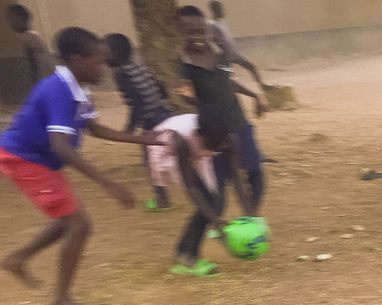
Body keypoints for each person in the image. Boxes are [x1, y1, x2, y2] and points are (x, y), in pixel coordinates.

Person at [0, 27, 163, 305]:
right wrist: (107, 183)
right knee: (79, 224)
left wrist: (142, 139)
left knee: (69, 220)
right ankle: (60, 301)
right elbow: (60, 145)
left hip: (38, 160)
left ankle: (19, 258)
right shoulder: (58, 90)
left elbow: (95, 129)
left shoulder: (79, 89)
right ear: (77, 60)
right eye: (98, 62)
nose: (104, 69)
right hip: (24, 159)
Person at [176, 5, 267, 214]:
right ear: (181, 32)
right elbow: (186, 93)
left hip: (239, 123)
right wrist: (188, 98)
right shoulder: (182, 65)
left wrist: (254, 95)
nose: (198, 37)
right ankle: (208, 226)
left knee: (256, 176)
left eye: (201, 31)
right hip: (214, 134)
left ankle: (249, 220)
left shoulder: (220, 52)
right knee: (218, 195)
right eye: (191, 32)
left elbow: (227, 83)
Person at [149, 106, 254, 276]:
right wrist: (215, 221)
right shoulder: (180, 140)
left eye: (220, 144)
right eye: (213, 144)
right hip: (167, 149)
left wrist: (249, 213)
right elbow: (192, 188)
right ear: (200, 134)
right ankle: (186, 256)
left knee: (216, 201)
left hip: (196, 151)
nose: (217, 148)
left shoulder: (226, 139)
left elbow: (236, 177)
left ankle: (184, 252)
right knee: (207, 203)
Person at [105, 33, 177, 209]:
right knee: (173, 154)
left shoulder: (121, 74)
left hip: (152, 121)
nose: (102, 57)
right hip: (164, 113)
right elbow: (161, 88)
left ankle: (162, 199)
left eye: (105, 52)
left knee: (151, 162)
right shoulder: (139, 67)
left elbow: (137, 102)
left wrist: (129, 130)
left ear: (116, 53)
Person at [207, 0, 265, 88]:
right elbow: (210, 40)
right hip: (225, 57)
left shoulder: (222, 22)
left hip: (234, 54)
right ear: (215, 10)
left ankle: (263, 86)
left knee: (251, 67)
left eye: (223, 9)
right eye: (221, 9)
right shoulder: (211, 24)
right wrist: (220, 51)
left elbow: (226, 38)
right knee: (227, 76)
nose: (224, 11)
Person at [5, 4, 56, 84]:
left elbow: (40, 64)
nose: (9, 23)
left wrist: (39, 85)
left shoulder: (30, 39)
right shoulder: (30, 37)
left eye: (11, 18)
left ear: (21, 18)